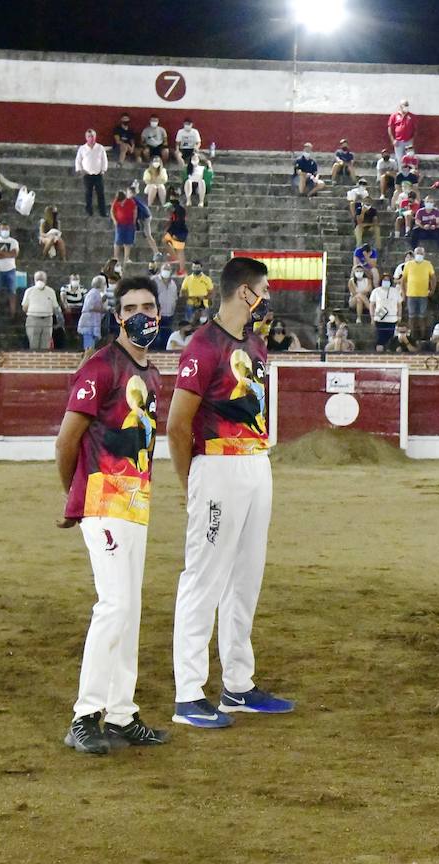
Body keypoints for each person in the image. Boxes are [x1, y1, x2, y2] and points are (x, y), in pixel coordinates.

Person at [167, 256, 294, 728]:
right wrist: (190, 484)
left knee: (245, 580)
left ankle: (238, 686)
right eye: (263, 290)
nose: (267, 299)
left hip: (255, 463)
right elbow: (178, 426)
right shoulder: (203, 346)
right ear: (245, 292)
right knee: (203, 579)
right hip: (217, 466)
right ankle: (188, 693)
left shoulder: (255, 344)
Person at [53, 276, 168, 754]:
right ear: (117, 315)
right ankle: (84, 715)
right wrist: (75, 499)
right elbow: (66, 441)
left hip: (135, 501)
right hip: (102, 500)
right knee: (116, 605)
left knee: (130, 609)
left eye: (148, 305)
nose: (141, 314)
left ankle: (121, 714)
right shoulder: (101, 366)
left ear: (159, 313)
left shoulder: (154, 373)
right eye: (131, 307)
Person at [74, 129, 109, 218]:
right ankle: (89, 211)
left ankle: (103, 211)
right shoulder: (82, 148)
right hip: (87, 175)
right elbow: (78, 160)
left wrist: (103, 170)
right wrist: (80, 170)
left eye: (93, 136)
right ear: (86, 138)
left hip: (98, 174)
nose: (91, 138)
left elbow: (104, 160)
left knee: (100, 193)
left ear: (95, 137)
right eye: (89, 136)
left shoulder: (100, 148)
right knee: (88, 193)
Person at [403, 245, 436, 336]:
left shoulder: (428, 264)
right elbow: (403, 280)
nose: (419, 255)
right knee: (411, 317)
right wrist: (404, 292)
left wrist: (432, 290)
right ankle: (412, 336)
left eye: (421, 253)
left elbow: (433, 278)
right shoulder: (408, 264)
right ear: (414, 254)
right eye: (418, 253)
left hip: (423, 295)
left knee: (422, 317)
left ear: (424, 254)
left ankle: (423, 336)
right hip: (411, 295)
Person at [22, 270, 59, 350]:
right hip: (33, 320)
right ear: (34, 280)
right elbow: (24, 307)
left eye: (42, 279)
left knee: (45, 345)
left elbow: (55, 306)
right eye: (38, 279)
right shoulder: (29, 291)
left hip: (47, 320)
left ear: (45, 280)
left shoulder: (51, 291)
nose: (40, 281)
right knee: (33, 344)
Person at [0, 223, 20, 317]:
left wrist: (1, 253)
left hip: (10, 270)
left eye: (6, 229)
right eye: (3, 229)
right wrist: (8, 254)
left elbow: (14, 254)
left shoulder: (14, 242)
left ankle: (13, 314)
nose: (5, 231)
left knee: (12, 292)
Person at [78, 275, 108, 349]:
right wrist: (104, 310)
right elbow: (90, 306)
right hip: (89, 323)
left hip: (93, 323)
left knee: (92, 346)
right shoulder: (93, 293)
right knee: (89, 348)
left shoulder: (96, 293)